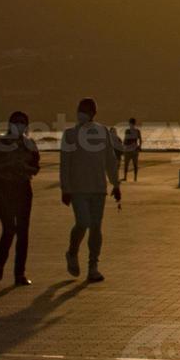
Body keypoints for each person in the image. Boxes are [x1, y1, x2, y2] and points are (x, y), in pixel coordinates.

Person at [59, 98, 121, 282]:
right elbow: (65, 163)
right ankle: (72, 252)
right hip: (78, 189)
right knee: (83, 222)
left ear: (94, 113)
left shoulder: (103, 132)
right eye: (80, 109)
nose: (82, 113)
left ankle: (93, 266)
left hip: (98, 188)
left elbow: (110, 160)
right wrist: (65, 188)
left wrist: (116, 184)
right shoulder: (70, 134)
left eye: (86, 110)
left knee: (96, 227)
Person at [0, 111, 40, 286]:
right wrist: (8, 165)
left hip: (23, 189)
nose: (20, 125)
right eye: (16, 122)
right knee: (9, 228)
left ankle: (19, 273)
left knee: (23, 232)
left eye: (23, 123)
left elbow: (35, 168)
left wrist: (25, 167)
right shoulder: (0, 144)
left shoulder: (30, 144)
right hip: (4, 189)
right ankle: (1, 262)